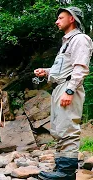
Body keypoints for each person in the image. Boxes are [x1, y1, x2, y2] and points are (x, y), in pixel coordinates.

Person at [34, 6, 93, 180]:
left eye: (60, 18)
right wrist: (46, 71)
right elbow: (64, 68)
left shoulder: (80, 39)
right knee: (60, 129)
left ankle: (66, 173)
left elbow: (80, 68)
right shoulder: (67, 42)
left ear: (72, 19)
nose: (57, 21)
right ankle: (61, 168)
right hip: (61, 86)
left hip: (68, 88)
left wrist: (69, 90)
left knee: (68, 129)